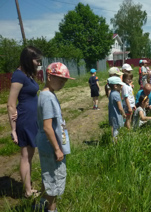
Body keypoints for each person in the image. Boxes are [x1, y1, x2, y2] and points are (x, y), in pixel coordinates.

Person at [36, 62, 74, 212]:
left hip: (46, 144)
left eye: (65, 80)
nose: (63, 83)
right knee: (54, 179)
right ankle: (52, 209)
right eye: (61, 79)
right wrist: (57, 149)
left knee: (48, 175)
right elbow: (47, 126)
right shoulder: (48, 97)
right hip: (51, 147)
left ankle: (41, 204)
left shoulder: (45, 94)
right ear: (50, 77)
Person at [7, 46, 42, 198]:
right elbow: (10, 104)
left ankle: (29, 186)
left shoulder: (27, 75)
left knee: (30, 155)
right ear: (28, 60)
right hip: (25, 120)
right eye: (37, 60)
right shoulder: (19, 76)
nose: (39, 63)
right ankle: (28, 192)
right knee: (25, 156)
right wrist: (13, 130)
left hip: (32, 119)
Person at [108, 76, 126, 142]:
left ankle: (114, 141)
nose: (121, 86)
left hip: (112, 115)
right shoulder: (116, 94)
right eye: (120, 85)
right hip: (117, 115)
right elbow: (120, 107)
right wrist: (123, 114)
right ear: (115, 86)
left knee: (114, 129)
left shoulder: (111, 93)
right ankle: (115, 144)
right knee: (117, 131)